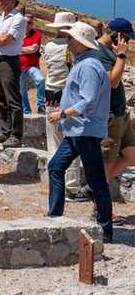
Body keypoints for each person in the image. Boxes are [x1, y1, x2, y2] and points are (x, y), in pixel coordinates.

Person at [46, 21, 113, 243]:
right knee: (55, 167)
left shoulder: (88, 67)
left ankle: (105, 229)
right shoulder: (85, 63)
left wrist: (62, 114)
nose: (68, 41)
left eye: (71, 39)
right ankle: (54, 217)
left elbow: (88, 102)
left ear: (81, 43)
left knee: (96, 181)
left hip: (85, 131)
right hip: (78, 131)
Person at [95, 18, 135, 225]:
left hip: (121, 113)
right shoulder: (100, 52)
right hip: (110, 115)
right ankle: (101, 209)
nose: (127, 42)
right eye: (126, 37)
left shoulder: (110, 50)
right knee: (106, 162)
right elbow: (112, 81)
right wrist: (121, 54)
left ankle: (99, 186)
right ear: (116, 35)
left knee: (131, 153)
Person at [44, 12, 85, 202]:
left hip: (49, 93)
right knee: (71, 143)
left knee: (53, 142)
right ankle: (72, 188)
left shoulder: (49, 46)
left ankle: (55, 182)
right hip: (66, 96)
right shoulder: (72, 49)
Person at [0, 0, 27, 148]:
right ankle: (5, 131)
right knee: (1, 97)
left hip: (9, 61)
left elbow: (4, 39)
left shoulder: (18, 19)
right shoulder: (0, 18)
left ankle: (16, 134)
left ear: (12, 0)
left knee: (12, 99)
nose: (0, 0)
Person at [19, 14, 46, 114]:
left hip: (32, 66)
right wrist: (26, 50)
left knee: (40, 79)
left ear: (32, 24)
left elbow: (33, 48)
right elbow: (30, 49)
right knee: (22, 90)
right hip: (20, 67)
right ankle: (27, 112)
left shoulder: (36, 35)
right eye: (24, 22)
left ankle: (41, 106)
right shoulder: (17, 34)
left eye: (29, 23)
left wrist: (18, 50)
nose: (26, 25)